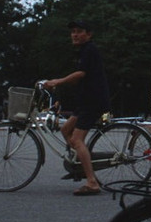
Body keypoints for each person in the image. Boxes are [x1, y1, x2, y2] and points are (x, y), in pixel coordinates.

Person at [42, 20, 111, 196]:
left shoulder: (89, 50)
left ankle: (92, 182)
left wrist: (58, 81)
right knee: (66, 130)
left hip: (93, 101)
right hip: (86, 100)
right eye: (73, 31)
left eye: (79, 31)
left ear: (89, 34)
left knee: (78, 140)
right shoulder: (82, 51)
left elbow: (81, 74)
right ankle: (79, 164)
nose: (75, 34)